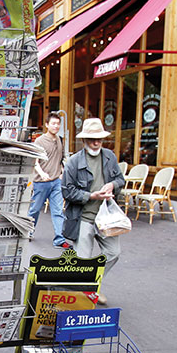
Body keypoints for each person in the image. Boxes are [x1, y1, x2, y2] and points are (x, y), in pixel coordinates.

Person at [61, 118, 125, 305]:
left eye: (99, 139)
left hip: (106, 218)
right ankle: (85, 290)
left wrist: (112, 185)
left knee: (114, 252)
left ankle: (91, 284)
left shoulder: (109, 157)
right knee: (82, 261)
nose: (96, 143)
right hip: (83, 218)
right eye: (92, 139)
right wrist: (91, 196)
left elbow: (121, 180)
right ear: (84, 140)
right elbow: (67, 190)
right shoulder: (73, 162)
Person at [28, 112, 70, 249]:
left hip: (56, 182)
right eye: (53, 123)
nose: (56, 126)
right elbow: (35, 162)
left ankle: (59, 238)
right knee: (34, 209)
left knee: (58, 211)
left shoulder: (59, 139)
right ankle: (28, 230)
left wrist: (62, 173)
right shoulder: (39, 141)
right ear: (47, 125)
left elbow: (61, 159)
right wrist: (42, 173)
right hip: (41, 182)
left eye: (58, 124)